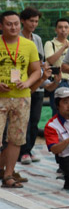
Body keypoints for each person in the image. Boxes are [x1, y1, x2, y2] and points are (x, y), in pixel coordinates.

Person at [0, 10, 42, 189]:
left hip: (21, 98)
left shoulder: (29, 45)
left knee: (16, 138)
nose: (13, 27)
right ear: (1, 26)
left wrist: (27, 83)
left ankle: (8, 174)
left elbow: (36, 71)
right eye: (9, 24)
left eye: (16, 23)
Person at [18, 7, 46, 164]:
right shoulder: (16, 38)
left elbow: (40, 62)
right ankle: (23, 151)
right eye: (31, 21)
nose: (34, 24)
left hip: (38, 84)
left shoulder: (37, 39)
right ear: (23, 21)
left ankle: (29, 149)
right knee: (23, 120)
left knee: (34, 120)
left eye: (36, 21)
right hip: (22, 86)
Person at [44, 17, 69, 111]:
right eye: (60, 27)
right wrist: (64, 47)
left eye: (66, 27)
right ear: (56, 30)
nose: (63, 30)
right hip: (57, 82)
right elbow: (51, 60)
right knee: (58, 111)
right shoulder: (50, 44)